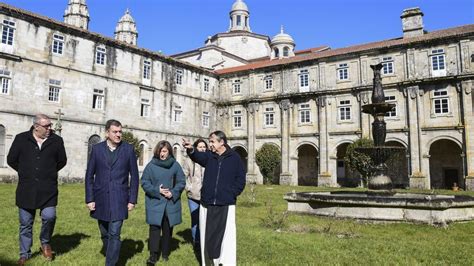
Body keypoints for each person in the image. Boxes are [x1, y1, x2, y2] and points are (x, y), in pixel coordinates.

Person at [7, 114, 67, 265]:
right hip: (26, 188)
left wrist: (48, 172)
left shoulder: (56, 141)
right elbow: (11, 159)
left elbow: (62, 161)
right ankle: (24, 253)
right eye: (46, 126)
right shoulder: (21, 139)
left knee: (49, 216)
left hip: (48, 189)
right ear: (36, 126)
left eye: (50, 125)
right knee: (26, 222)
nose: (49, 129)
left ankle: (45, 243)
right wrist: (27, 172)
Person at [182, 130, 246, 265]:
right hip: (207, 203)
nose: (209, 144)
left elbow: (240, 180)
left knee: (225, 237)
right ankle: (209, 263)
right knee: (207, 235)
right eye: (209, 141)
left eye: (212, 141)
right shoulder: (210, 157)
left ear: (221, 142)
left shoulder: (235, 158)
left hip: (226, 204)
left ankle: (224, 263)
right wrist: (191, 149)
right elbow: (198, 156)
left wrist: (231, 193)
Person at [85, 119, 139, 266]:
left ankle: (110, 264)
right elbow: (89, 175)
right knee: (105, 233)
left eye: (120, 131)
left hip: (120, 198)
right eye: (115, 132)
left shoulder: (128, 150)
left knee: (115, 233)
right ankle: (111, 252)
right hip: (100, 197)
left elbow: (134, 176)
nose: (118, 134)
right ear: (107, 133)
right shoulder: (96, 149)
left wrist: (132, 199)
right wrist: (89, 199)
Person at [141, 140, 185, 265]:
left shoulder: (175, 165)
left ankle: (165, 253)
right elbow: (144, 182)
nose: (162, 154)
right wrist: (156, 190)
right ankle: (153, 256)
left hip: (170, 202)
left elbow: (181, 181)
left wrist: (173, 192)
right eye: (160, 151)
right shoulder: (151, 165)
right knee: (154, 228)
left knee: (167, 229)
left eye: (164, 151)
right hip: (155, 202)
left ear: (169, 151)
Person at [182, 138, 207, 249]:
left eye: (204, 147)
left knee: (206, 220)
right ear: (196, 148)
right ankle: (196, 242)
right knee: (195, 220)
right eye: (200, 147)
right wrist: (188, 188)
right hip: (193, 196)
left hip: (206, 196)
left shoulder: (209, 159)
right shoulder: (189, 161)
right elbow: (183, 176)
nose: (202, 149)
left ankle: (205, 242)